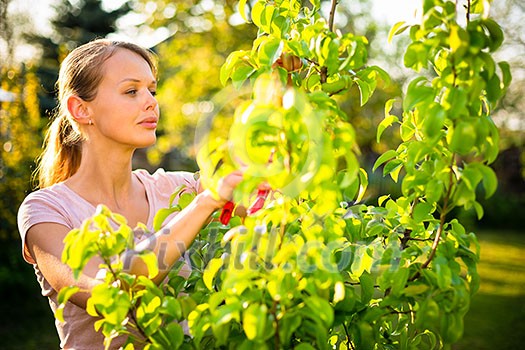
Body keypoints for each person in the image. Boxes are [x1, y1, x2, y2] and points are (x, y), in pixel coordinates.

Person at [17, 39, 242, 349]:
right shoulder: (47, 211)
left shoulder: (177, 189)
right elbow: (108, 295)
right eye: (131, 91)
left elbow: (263, 190)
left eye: (152, 90)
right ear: (80, 109)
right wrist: (205, 203)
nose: (151, 102)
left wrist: (279, 89)